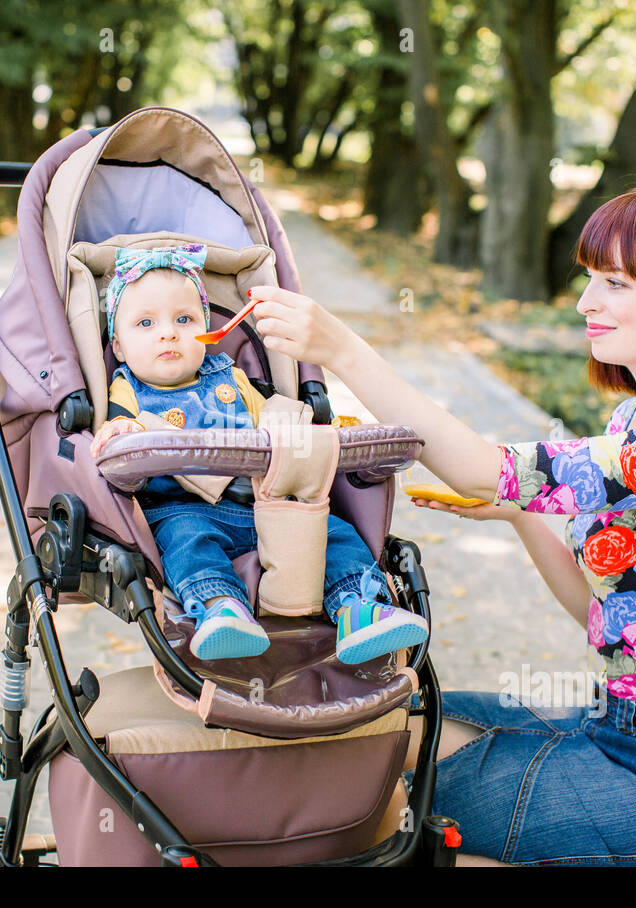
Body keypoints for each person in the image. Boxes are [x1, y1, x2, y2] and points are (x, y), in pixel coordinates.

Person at [252, 183, 636, 866]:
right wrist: (519, 513)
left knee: (388, 796)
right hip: (621, 731)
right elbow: (601, 616)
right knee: (384, 726)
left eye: (614, 283)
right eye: (591, 280)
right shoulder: (632, 424)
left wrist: (343, 349)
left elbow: (477, 466)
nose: (587, 303)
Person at [90, 242, 428, 665]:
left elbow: (278, 417)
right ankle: (222, 609)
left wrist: (319, 429)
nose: (168, 332)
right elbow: (119, 436)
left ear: (207, 329)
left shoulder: (231, 376)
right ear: (119, 347)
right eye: (146, 323)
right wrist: (121, 430)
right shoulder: (129, 391)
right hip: (184, 508)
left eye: (184, 319)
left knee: (333, 533)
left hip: (267, 503)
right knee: (185, 541)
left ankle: (360, 608)